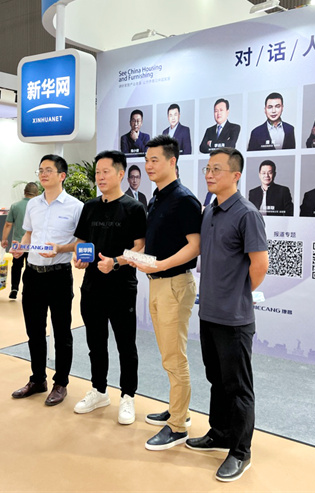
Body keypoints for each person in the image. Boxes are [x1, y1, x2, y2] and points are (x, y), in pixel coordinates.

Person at [188, 147, 268, 482]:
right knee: (216, 380)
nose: (209, 174)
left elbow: (259, 265)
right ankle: (219, 433)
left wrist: (236, 294)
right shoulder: (210, 210)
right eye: (207, 169)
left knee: (237, 387)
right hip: (208, 313)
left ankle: (240, 451)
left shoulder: (247, 214)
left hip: (234, 318)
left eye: (216, 169)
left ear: (236, 175)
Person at [128, 135, 202, 450]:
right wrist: (126, 258)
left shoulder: (184, 199)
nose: (148, 165)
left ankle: (178, 426)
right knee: (167, 354)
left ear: (172, 161)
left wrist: (160, 265)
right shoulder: (157, 197)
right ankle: (176, 409)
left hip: (174, 283)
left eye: (155, 160)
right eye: (146, 160)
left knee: (175, 356)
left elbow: (195, 246)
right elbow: (151, 244)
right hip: (157, 283)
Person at [65, 150, 146, 424]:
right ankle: (99, 391)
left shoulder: (134, 208)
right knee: (95, 343)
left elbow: (140, 248)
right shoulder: (90, 207)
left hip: (122, 287)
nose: (100, 177)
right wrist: (79, 257)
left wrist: (116, 262)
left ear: (121, 174)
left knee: (126, 345)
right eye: (97, 172)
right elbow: (81, 241)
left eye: (105, 172)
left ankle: (128, 396)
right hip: (92, 287)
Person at [10, 154, 83, 406]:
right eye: (40, 170)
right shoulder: (33, 205)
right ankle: (37, 379)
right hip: (32, 274)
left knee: (61, 331)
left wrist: (61, 248)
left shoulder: (75, 206)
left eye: (48, 170)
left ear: (62, 175)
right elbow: (29, 234)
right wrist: (21, 248)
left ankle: (60, 383)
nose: (43, 174)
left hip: (59, 275)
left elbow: (82, 242)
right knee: (34, 330)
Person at [1, 182, 39, 300]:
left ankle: (14, 288)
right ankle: (28, 289)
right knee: (30, 267)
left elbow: (8, 224)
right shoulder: (38, 207)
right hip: (33, 244)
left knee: (16, 266)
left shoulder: (15, 206)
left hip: (17, 243)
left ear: (24, 192)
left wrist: (4, 239)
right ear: (37, 193)